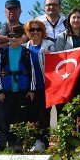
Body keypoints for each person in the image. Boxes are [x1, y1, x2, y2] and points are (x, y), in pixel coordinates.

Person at [53, 8, 80, 138]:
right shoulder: (63, 36)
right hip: (68, 79)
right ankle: (69, 138)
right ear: (69, 20)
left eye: (79, 17)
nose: (76, 20)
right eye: (73, 17)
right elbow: (58, 56)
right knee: (68, 109)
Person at [0, 24, 38, 151]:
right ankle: (10, 142)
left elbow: (32, 72)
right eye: (11, 35)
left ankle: (20, 142)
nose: (13, 38)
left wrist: (32, 89)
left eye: (17, 36)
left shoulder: (26, 52)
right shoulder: (2, 53)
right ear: (7, 37)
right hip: (7, 90)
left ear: (22, 37)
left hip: (22, 90)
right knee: (7, 116)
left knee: (22, 116)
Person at [25, 18, 54, 152]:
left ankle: (43, 142)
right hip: (29, 88)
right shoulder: (24, 47)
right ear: (28, 32)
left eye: (38, 29)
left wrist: (51, 57)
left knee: (43, 116)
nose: (35, 32)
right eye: (32, 30)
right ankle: (33, 141)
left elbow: (58, 65)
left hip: (45, 87)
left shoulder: (49, 45)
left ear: (43, 31)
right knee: (31, 116)